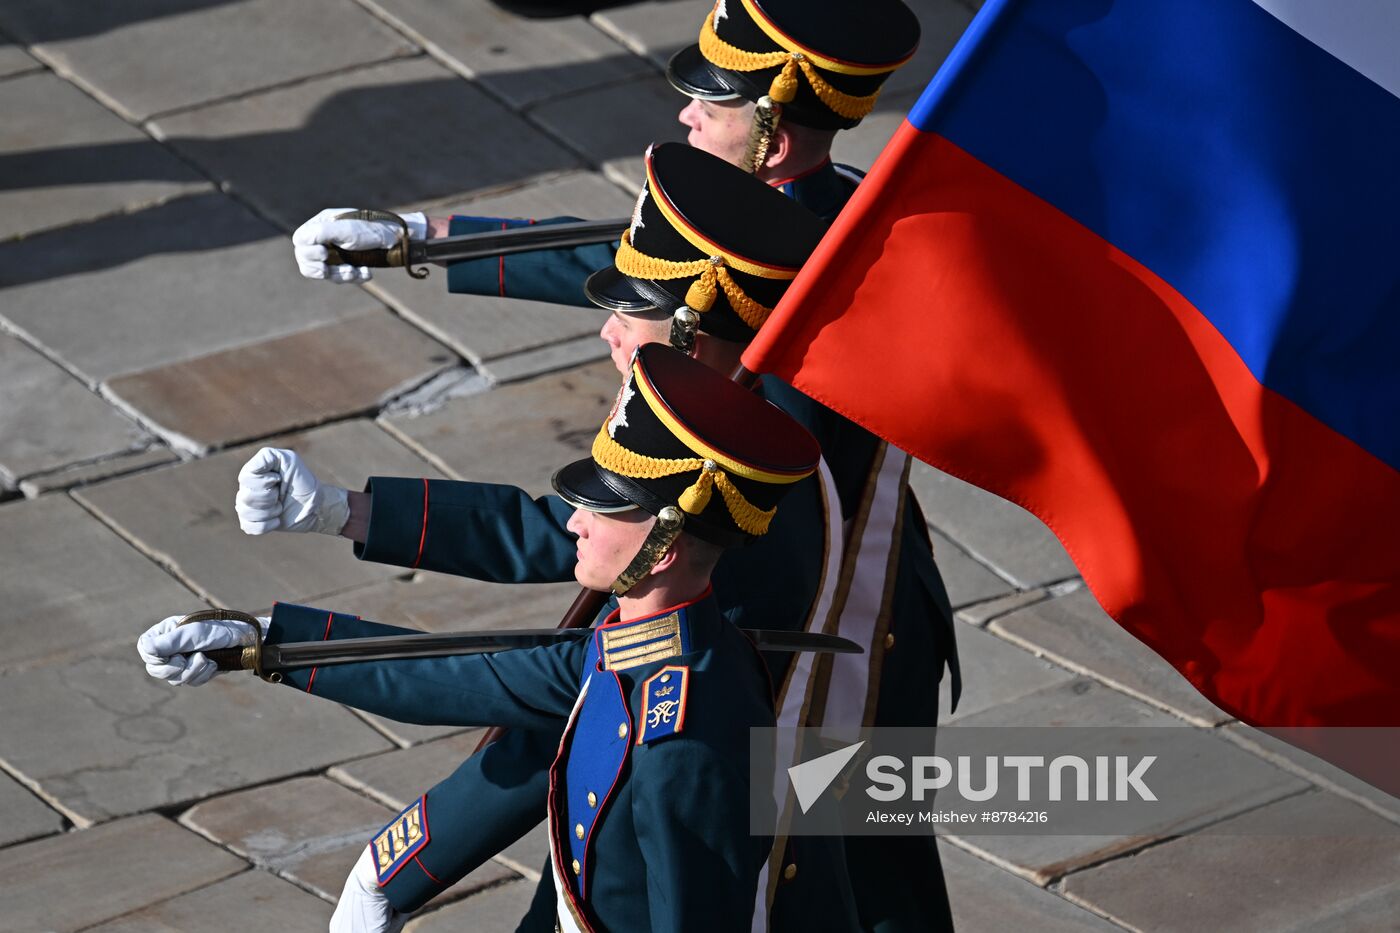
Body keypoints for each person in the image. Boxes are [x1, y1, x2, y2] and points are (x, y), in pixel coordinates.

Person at [250, 142, 959, 931]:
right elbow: (554, 659)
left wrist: (411, 860)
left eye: (628, 315)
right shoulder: (705, 438)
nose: (607, 334)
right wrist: (280, 631)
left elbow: (590, 708)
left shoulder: (722, 521)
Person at [139, 343, 822, 933]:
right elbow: (463, 673)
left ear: (665, 546)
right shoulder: (638, 648)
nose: (576, 522)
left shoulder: (683, 739)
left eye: (604, 508)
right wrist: (262, 642)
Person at [290, 0, 922, 295]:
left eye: (709, 106)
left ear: (773, 143)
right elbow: (629, 253)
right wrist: (415, 236)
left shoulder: (777, 268)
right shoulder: (832, 195)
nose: (686, 115)